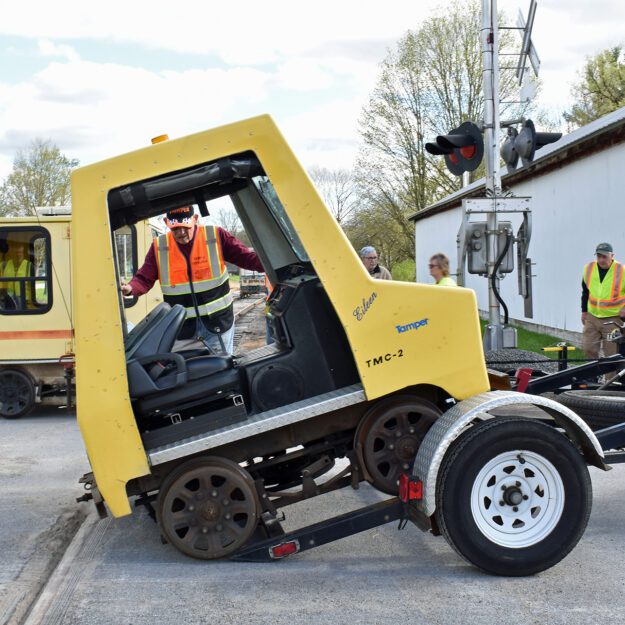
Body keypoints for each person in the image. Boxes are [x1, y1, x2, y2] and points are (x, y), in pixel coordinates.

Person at [121, 206, 263, 354]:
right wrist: (130, 288)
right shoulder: (159, 247)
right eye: (175, 229)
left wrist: (275, 263)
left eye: (185, 227)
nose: (181, 233)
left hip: (218, 325)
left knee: (222, 370)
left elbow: (246, 257)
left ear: (195, 219)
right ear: (166, 222)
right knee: (186, 373)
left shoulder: (215, 236)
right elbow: (144, 278)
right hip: (183, 331)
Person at [581, 242, 625, 360]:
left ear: (612, 256)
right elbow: (585, 292)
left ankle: (611, 379)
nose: (601, 259)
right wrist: (584, 311)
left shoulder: (622, 270)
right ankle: (592, 377)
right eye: (599, 256)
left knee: (611, 354)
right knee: (587, 347)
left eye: (604, 256)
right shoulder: (589, 268)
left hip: (612, 319)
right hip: (592, 317)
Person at [2, 244, 33, 308]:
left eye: (20, 252)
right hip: (9, 299)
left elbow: (33, 285)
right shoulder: (4, 265)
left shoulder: (29, 265)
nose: (18, 255)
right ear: (12, 254)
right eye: (16, 252)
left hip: (24, 300)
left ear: (23, 253)